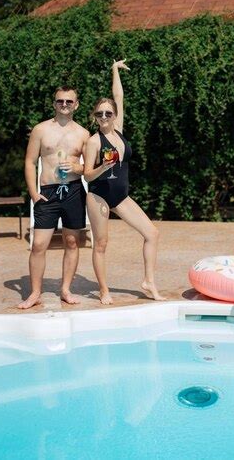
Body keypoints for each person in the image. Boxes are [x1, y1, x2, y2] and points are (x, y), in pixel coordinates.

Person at [84, 60, 166, 305]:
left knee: (152, 233)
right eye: (99, 113)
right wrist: (102, 167)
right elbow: (87, 175)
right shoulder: (93, 142)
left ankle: (148, 281)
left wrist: (114, 70)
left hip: (121, 196)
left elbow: (118, 96)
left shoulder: (118, 129)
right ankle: (103, 290)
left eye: (108, 112)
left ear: (114, 115)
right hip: (98, 195)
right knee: (101, 244)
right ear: (94, 117)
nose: (104, 116)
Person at [18, 86, 90, 309]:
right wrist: (33, 192)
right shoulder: (40, 130)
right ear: (54, 104)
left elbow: (89, 167)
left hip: (73, 191)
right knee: (39, 244)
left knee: (71, 242)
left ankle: (65, 289)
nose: (65, 105)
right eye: (60, 101)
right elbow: (30, 162)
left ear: (76, 105)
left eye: (69, 101)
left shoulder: (83, 134)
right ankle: (35, 293)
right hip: (47, 193)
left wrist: (77, 167)